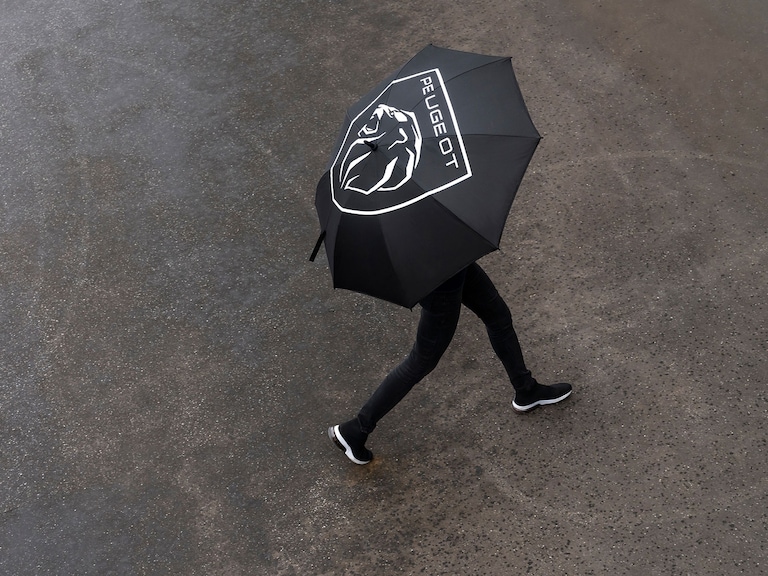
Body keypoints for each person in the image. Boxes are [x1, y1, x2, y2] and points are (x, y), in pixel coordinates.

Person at [328, 261, 572, 465]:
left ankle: (526, 389)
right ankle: (356, 430)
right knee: (421, 361)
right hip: (439, 276)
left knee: (498, 316)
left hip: (454, 261)